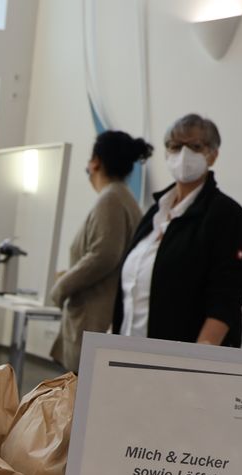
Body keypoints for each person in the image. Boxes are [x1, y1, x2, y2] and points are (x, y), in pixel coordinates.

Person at [113, 114, 242, 347]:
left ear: (213, 155)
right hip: (128, 354)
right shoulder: (154, 213)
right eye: (175, 146)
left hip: (179, 364)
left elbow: (226, 298)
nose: (183, 154)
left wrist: (196, 362)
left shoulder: (227, 216)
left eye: (195, 146)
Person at [48, 130, 153, 372]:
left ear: (95, 161)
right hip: (96, 314)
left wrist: (61, 286)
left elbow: (104, 255)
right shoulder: (119, 198)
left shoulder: (112, 199)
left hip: (95, 316)